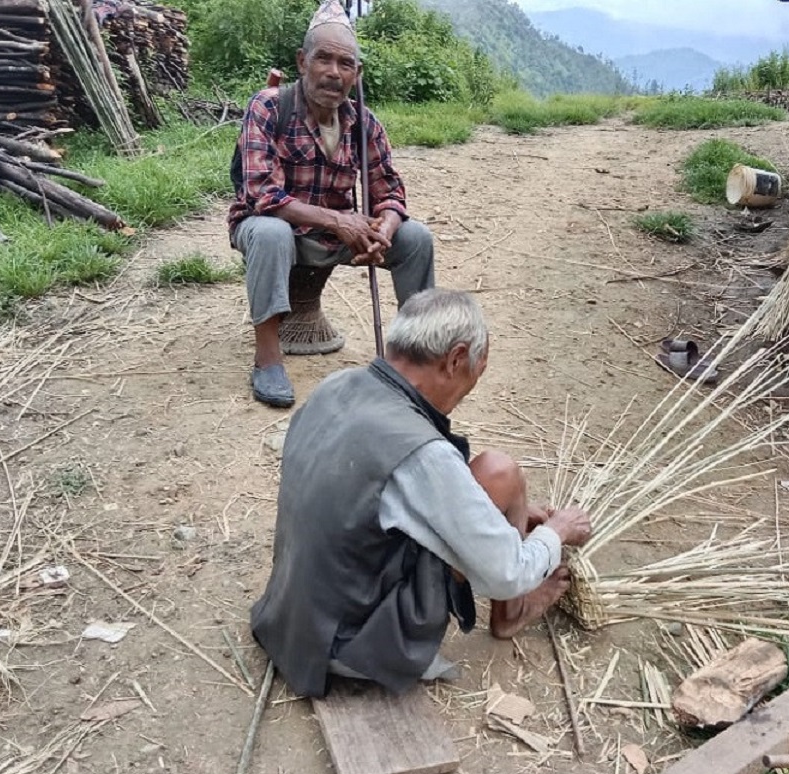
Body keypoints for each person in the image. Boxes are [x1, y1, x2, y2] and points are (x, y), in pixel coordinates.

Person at [250, 289, 594, 697]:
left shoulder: (337, 385)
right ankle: (513, 612)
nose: (471, 386)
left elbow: (375, 496)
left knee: (493, 483)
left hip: (291, 620)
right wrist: (557, 530)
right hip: (353, 647)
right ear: (454, 359)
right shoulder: (423, 455)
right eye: (476, 370)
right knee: (500, 474)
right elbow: (507, 574)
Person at [227, 0, 434, 408]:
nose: (333, 73)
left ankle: (416, 358)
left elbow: (389, 191)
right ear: (303, 61)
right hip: (273, 227)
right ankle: (268, 359)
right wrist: (341, 221)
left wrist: (384, 230)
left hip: (334, 235)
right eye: (323, 59)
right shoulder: (268, 106)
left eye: (345, 64)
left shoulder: (365, 123)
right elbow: (261, 194)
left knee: (415, 238)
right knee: (270, 232)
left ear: (357, 74)